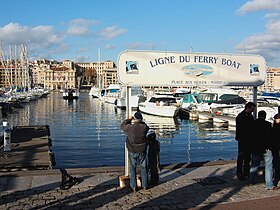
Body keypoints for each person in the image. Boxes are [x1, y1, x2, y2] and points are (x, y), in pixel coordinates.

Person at [120, 111, 149, 192]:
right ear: (141, 119)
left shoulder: (130, 128)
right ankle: (145, 185)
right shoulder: (144, 127)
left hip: (132, 150)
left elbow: (122, 126)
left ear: (134, 119)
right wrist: (140, 121)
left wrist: (128, 119)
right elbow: (146, 126)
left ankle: (133, 186)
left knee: (132, 168)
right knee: (144, 168)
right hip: (142, 150)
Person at [248, 111, 274, 190]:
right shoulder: (268, 124)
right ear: (265, 116)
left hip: (255, 148)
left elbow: (250, 136)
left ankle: (251, 181)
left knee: (254, 165)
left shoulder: (253, 124)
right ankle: (269, 184)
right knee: (268, 166)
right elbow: (269, 136)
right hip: (266, 148)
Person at [235, 102, 256, 180]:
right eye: (252, 109)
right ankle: (240, 173)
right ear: (248, 108)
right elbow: (243, 129)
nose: (253, 110)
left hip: (248, 140)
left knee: (247, 157)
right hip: (243, 140)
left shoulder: (249, 116)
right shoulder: (241, 117)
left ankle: (246, 172)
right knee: (241, 157)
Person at [272, 114, 280, 186]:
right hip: (276, 146)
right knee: (276, 161)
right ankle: (277, 174)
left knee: (276, 161)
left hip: (275, 146)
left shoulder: (274, 127)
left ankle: (277, 175)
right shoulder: (275, 126)